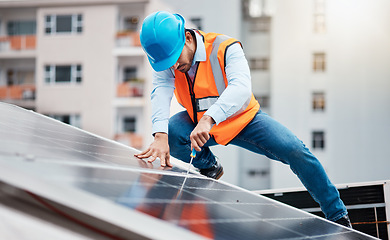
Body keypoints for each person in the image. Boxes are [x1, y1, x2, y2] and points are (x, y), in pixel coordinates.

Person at [135, 11, 352, 228]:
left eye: (174, 60)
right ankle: (209, 166)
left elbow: (240, 89)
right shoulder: (166, 59)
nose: (173, 67)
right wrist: (160, 135)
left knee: (296, 151)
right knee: (172, 131)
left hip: (244, 121)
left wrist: (209, 119)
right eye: (167, 64)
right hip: (199, 123)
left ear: (188, 39)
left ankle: (337, 214)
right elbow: (161, 90)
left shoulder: (225, 47)